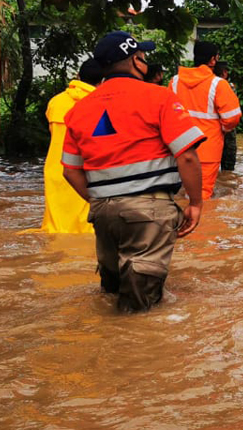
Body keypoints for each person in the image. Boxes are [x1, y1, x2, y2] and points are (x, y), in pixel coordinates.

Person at [61, 31, 205, 312]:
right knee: (140, 308)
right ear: (135, 61)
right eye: (143, 57)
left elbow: (70, 172)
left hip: (103, 213)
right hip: (148, 211)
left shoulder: (79, 110)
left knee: (111, 293)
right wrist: (196, 204)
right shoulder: (160, 97)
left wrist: (101, 201)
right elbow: (187, 155)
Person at [170, 41, 241, 199]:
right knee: (201, 197)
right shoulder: (219, 84)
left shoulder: (175, 81)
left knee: (179, 193)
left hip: (179, 147)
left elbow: (168, 112)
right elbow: (232, 118)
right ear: (213, 60)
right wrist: (223, 129)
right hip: (208, 151)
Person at [40, 59, 104, 233]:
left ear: (79, 76)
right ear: (103, 81)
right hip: (83, 173)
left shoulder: (56, 101)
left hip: (56, 171)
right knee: (87, 230)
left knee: (58, 228)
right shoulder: (100, 104)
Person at [214, 61, 238, 172]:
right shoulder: (228, 86)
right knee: (228, 168)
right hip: (227, 129)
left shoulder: (208, 85)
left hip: (211, 130)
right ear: (224, 72)